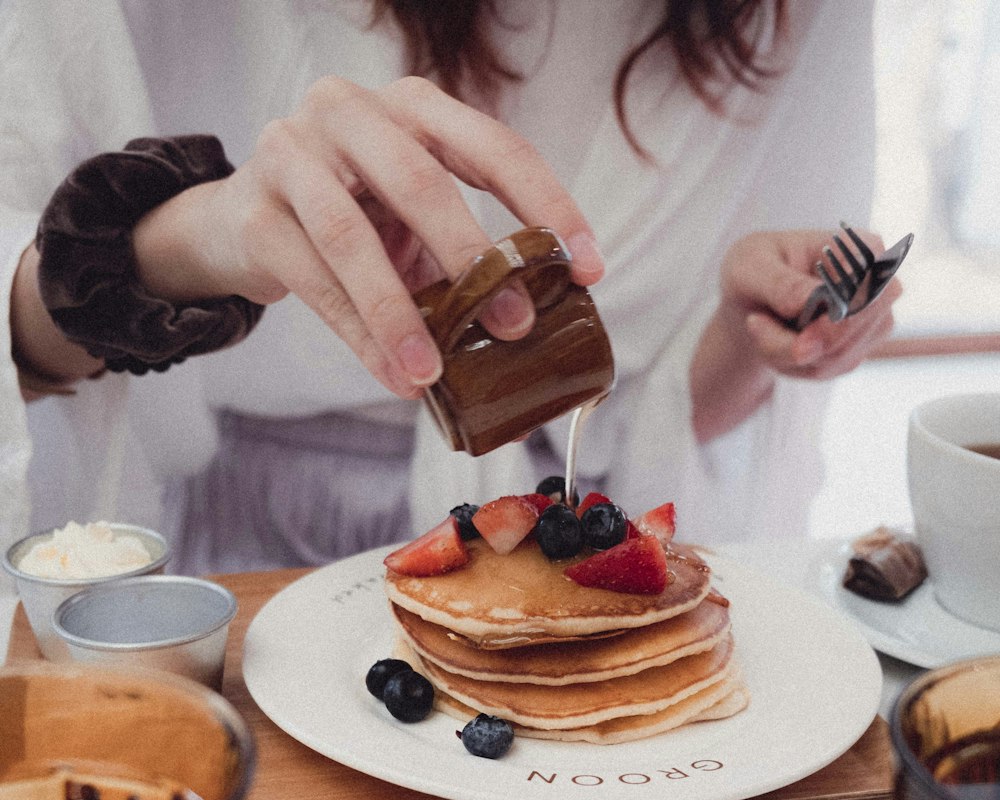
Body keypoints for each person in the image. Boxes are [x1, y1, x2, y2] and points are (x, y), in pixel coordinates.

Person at [0, 0, 896, 577]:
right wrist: (198, 240)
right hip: (244, 574)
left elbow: (668, 422)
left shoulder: (794, 19)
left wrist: (751, 334)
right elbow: (25, 358)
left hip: (558, 554)